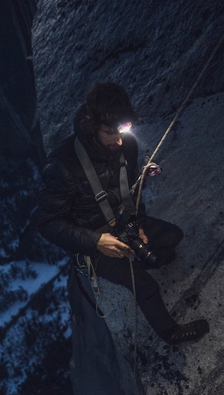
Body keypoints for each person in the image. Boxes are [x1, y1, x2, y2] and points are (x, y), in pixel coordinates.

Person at [37, 82, 209, 344]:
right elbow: (47, 223)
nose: (119, 139)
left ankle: (142, 256)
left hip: (123, 222)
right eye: (110, 132)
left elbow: (130, 190)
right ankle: (170, 333)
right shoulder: (62, 165)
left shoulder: (125, 145)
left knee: (172, 238)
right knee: (145, 285)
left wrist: (138, 224)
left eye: (124, 129)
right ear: (90, 123)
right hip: (92, 237)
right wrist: (96, 242)